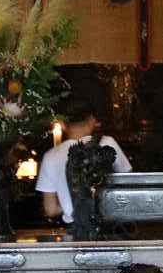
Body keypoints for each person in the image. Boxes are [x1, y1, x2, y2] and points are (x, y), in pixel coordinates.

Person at [36, 95, 131, 226]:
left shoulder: (50, 156)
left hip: (75, 229)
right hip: (108, 226)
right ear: (92, 120)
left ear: (62, 124)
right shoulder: (107, 143)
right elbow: (128, 182)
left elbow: (50, 209)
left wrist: (71, 204)